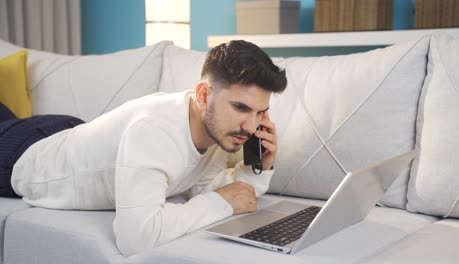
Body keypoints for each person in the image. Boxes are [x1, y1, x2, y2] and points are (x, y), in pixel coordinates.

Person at [0, 40, 287, 256]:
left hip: (68, 131)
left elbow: (206, 191)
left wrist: (257, 168)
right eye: (241, 107)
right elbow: (136, 238)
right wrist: (221, 202)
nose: (251, 127)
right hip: (22, 155)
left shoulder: (214, 130)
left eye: (261, 112)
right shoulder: (153, 131)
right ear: (203, 95)